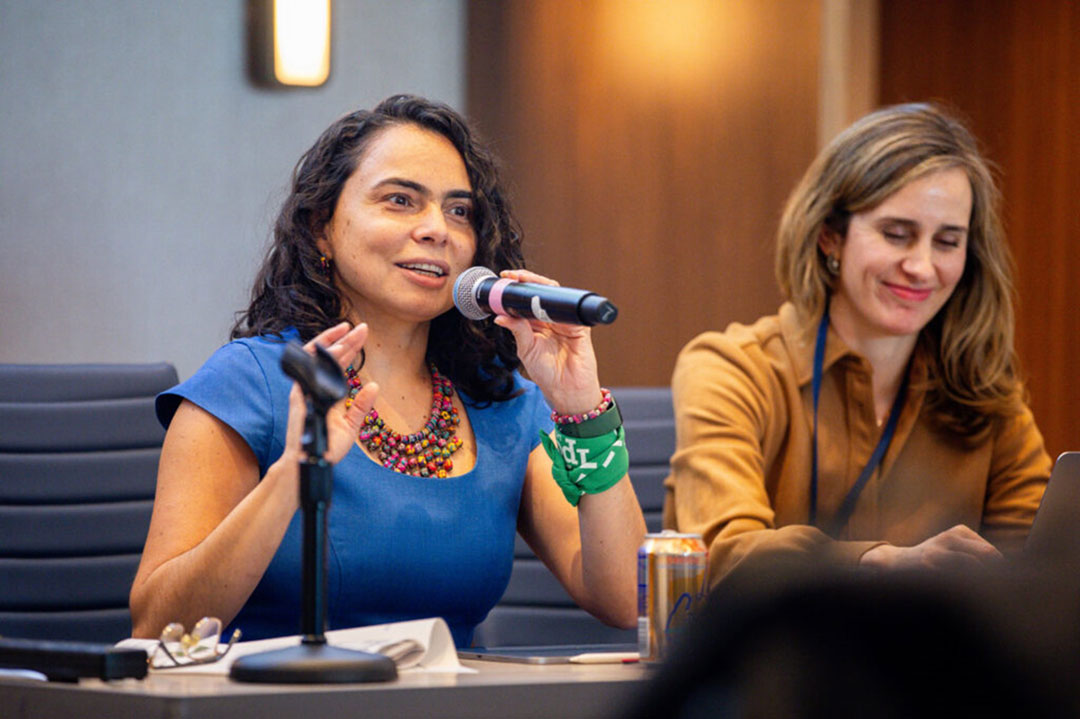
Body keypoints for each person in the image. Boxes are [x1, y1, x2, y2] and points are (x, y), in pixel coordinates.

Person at [129, 94, 646, 646]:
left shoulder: (499, 400)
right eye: (400, 200)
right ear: (321, 227)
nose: (436, 229)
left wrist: (579, 406)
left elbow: (625, 600)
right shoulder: (251, 384)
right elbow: (159, 625)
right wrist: (290, 477)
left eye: (458, 210)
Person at [664, 103, 1051, 586]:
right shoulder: (731, 368)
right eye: (897, 234)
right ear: (830, 236)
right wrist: (884, 561)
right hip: (772, 659)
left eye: (947, 241)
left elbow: (1042, 558)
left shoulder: (985, 387)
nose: (923, 266)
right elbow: (723, 556)